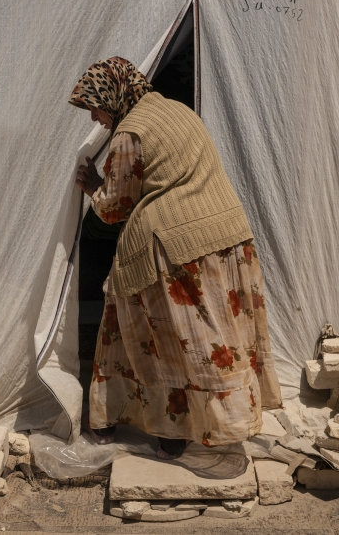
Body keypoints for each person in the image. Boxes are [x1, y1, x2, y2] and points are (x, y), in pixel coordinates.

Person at [69, 56, 282, 460]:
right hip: (227, 235)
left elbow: (115, 208)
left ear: (113, 97)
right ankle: (215, 419)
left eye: (94, 107)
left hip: (176, 246)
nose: (94, 118)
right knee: (220, 335)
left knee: (161, 338)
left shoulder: (130, 132)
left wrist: (95, 187)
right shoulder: (178, 111)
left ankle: (169, 427)